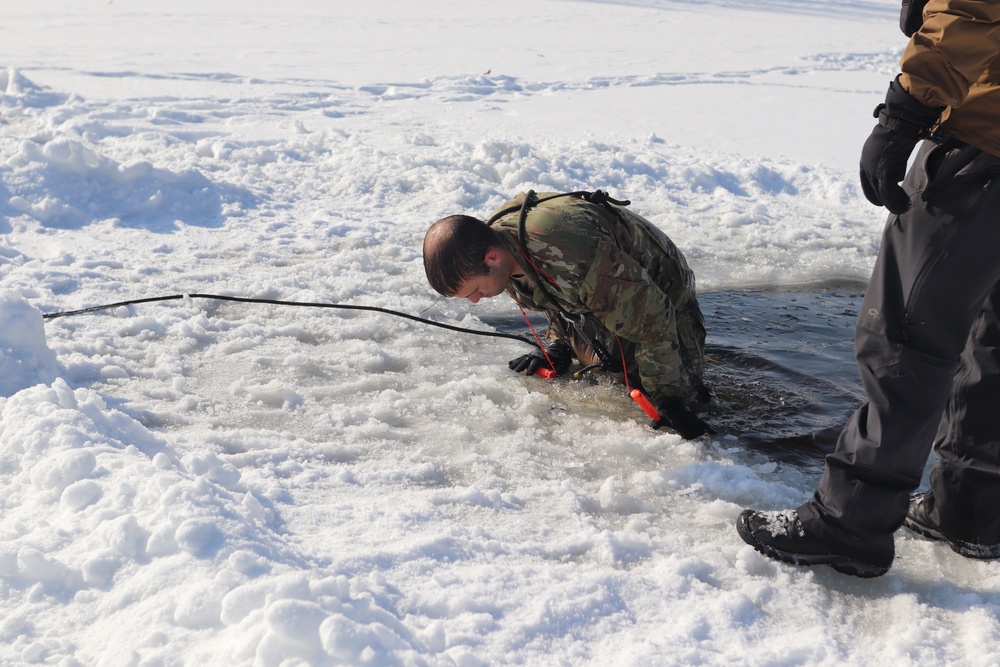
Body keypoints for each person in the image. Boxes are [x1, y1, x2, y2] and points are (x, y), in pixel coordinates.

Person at [737, 0, 1000, 577]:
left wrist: (904, 113)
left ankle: (848, 524)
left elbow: (970, 13)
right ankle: (972, 511)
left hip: (985, 138)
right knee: (993, 339)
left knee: (907, 336)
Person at [422, 189, 713, 439]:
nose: (474, 301)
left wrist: (668, 398)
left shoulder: (569, 256)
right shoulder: (495, 244)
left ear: (492, 258)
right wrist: (559, 344)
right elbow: (552, 290)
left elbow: (653, 320)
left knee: (679, 397)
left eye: (474, 290)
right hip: (602, 282)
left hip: (661, 287)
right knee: (606, 368)